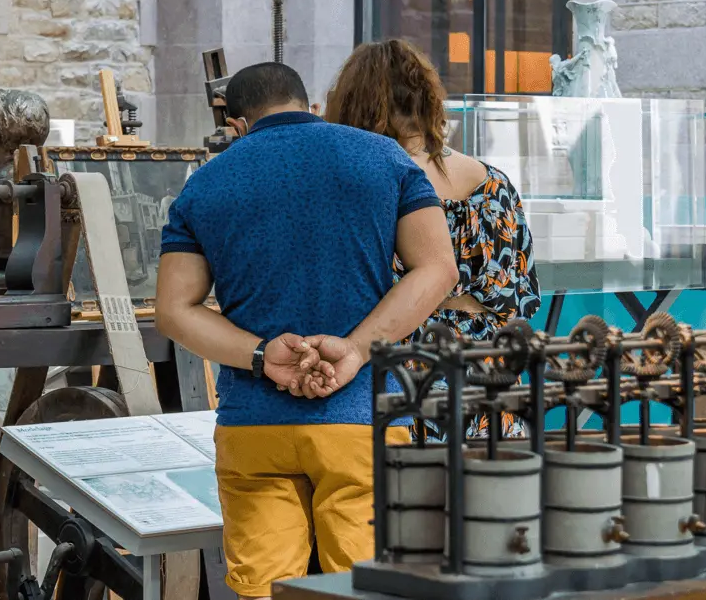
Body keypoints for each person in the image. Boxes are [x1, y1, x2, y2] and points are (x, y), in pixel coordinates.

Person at [155, 62, 459, 600]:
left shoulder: (205, 183)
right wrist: (357, 348)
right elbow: (437, 269)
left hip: (254, 425)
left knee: (263, 590)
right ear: (310, 106)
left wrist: (260, 355)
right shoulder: (381, 157)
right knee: (368, 586)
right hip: (361, 418)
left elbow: (176, 310)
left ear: (237, 124)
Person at [323, 39, 541, 441]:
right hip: (491, 380)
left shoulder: (368, 183)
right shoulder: (494, 182)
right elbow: (520, 298)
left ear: (354, 106)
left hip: (403, 378)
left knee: (414, 499)